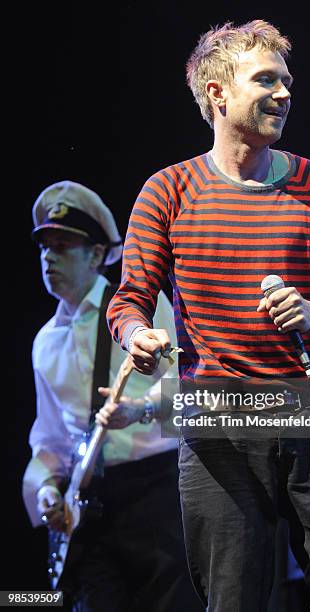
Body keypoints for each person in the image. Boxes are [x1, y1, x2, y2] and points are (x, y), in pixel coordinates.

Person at [105, 20, 310, 611]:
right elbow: (128, 301)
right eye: (266, 80)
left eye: (287, 82)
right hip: (219, 420)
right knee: (232, 600)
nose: (284, 94)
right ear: (218, 94)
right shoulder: (168, 191)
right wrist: (138, 336)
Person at [22, 180, 202, 612]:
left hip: (157, 486)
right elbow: (49, 442)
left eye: (63, 246)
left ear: (98, 255)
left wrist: (140, 409)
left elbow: (193, 388)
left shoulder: (138, 311)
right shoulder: (45, 342)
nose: (49, 257)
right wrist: (44, 488)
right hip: (92, 506)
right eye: (44, 247)